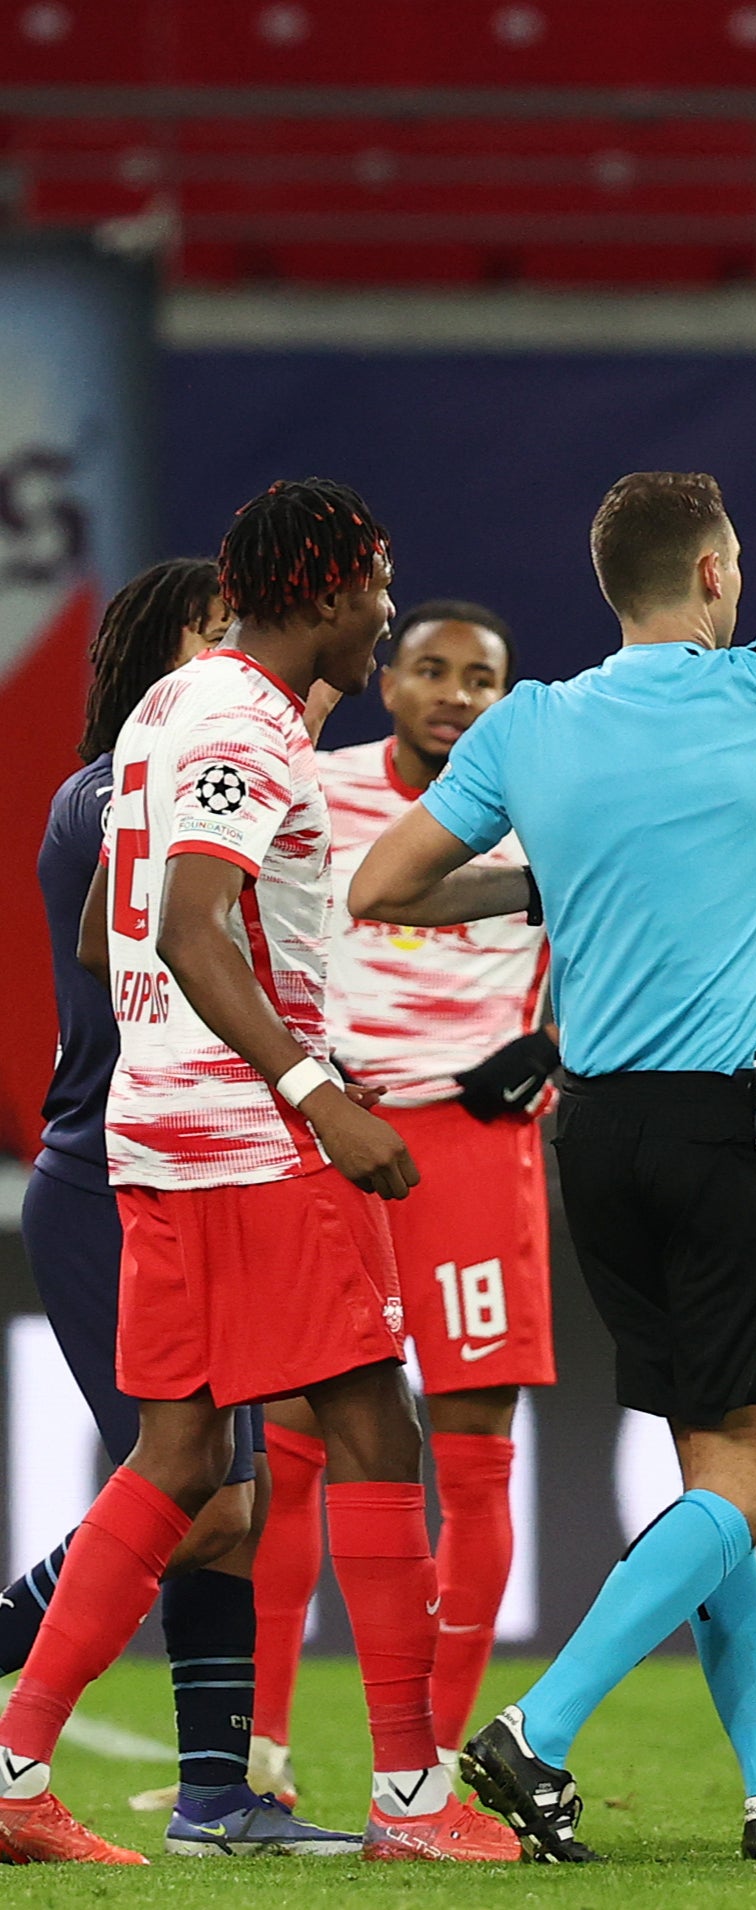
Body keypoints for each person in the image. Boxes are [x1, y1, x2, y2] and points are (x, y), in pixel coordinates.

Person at [347, 238, 756, 1864]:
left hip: (594, 1136)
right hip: (737, 1129)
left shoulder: (533, 724)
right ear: (715, 578)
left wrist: (544, 878)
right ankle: (533, 1731)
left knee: (711, 1478)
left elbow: (381, 886)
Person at [0, 482, 521, 1865]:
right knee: (372, 1431)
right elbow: (186, 923)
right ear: (330, 587)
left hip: (156, 1130)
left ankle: (13, 1772)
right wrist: (317, 1095)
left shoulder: (175, 713)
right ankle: (414, 1802)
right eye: (383, 588)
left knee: (178, 1460)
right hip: (251, 1136)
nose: (391, 615)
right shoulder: (237, 716)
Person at [6, 559, 360, 1858]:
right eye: (213, 630)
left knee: (232, 1496)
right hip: (112, 1172)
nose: (240, 651)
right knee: (202, 1494)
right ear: (162, 655)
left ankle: (217, 1795)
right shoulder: (117, 789)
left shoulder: (209, 769)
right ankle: (18, 1700)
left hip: (197, 1166)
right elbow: (156, 928)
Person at [252, 598, 560, 1790]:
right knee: (291, 1445)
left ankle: (425, 1758)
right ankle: (263, 1747)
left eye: (478, 677)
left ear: (504, 700)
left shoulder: (544, 805)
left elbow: (634, 919)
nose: (453, 693)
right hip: (332, 1135)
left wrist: (566, 1044)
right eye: (430, 669)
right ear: (389, 681)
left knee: (473, 1454)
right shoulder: (317, 788)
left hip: (474, 1149)